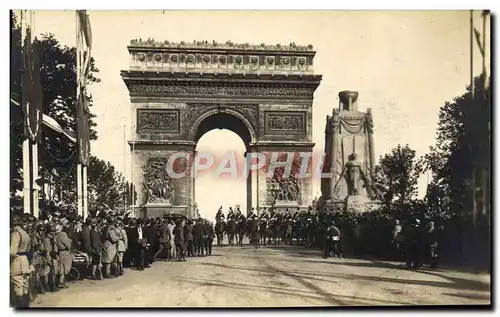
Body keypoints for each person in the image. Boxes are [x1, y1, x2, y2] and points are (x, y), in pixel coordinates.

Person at [10, 214, 31, 307]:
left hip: (17, 260)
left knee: (18, 283)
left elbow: (12, 252)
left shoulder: (15, 233)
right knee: (25, 283)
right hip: (25, 259)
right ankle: (25, 304)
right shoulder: (25, 233)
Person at [54, 224, 72, 289]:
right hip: (65, 252)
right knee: (65, 268)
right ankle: (61, 282)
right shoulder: (63, 234)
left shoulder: (55, 236)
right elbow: (67, 243)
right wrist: (70, 248)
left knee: (61, 267)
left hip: (59, 252)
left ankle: (61, 281)